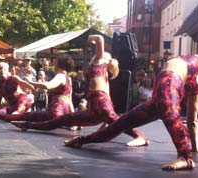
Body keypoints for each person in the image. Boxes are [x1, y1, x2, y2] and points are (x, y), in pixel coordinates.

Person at [64, 25, 198, 171]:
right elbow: (192, 120)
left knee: (135, 120)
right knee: (121, 123)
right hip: (163, 92)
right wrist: (195, 147)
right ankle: (83, 140)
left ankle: (185, 158)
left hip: (161, 93)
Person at [9, 35, 147, 147]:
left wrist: (91, 38)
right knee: (63, 120)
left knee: (118, 123)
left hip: (100, 102)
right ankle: (27, 125)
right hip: (93, 108)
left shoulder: (100, 62)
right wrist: (104, 122)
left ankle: (140, 137)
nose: (94, 54)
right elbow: (108, 95)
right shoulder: (101, 71)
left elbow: (100, 39)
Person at [0, 55, 74, 124]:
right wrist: (74, 119)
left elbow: (47, 85)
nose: (53, 65)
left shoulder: (60, 76)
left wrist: (32, 84)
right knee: (4, 111)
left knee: (22, 115)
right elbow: (69, 101)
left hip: (50, 109)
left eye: (2, 69)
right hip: (62, 113)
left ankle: (25, 123)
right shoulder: (68, 78)